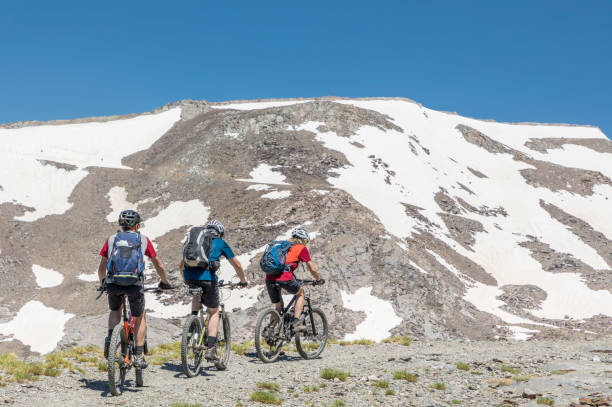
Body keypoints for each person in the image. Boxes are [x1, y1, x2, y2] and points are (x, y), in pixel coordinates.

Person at [97, 209, 171, 368]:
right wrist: (164, 281)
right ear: (136, 225)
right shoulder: (143, 239)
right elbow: (158, 264)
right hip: (134, 283)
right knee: (139, 315)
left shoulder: (111, 239)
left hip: (113, 283)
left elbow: (102, 266)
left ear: (121, 224)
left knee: (115, 310)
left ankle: (111, 339)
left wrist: (103, 282)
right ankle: (138, 354)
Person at [180, 219, 247, 361]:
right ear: (220, 233)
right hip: (208, 278)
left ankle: (193, 320)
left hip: (190, 276)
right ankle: (211, 349)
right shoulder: (220, 242)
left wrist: (185, 279)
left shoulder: (195, 241)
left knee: (197, 294)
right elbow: (238, 265)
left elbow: (181, 264)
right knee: (214, 311)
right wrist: (243, 281)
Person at [265, 227, 323, 332]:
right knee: (300, 293)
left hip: (269, 277)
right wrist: (318, 279)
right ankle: (296, 322)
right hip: (285, 277)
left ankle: (269, 331)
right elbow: (312, 268)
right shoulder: (301, 248)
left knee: (278, 307)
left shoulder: (281, 246)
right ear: (303, 240)